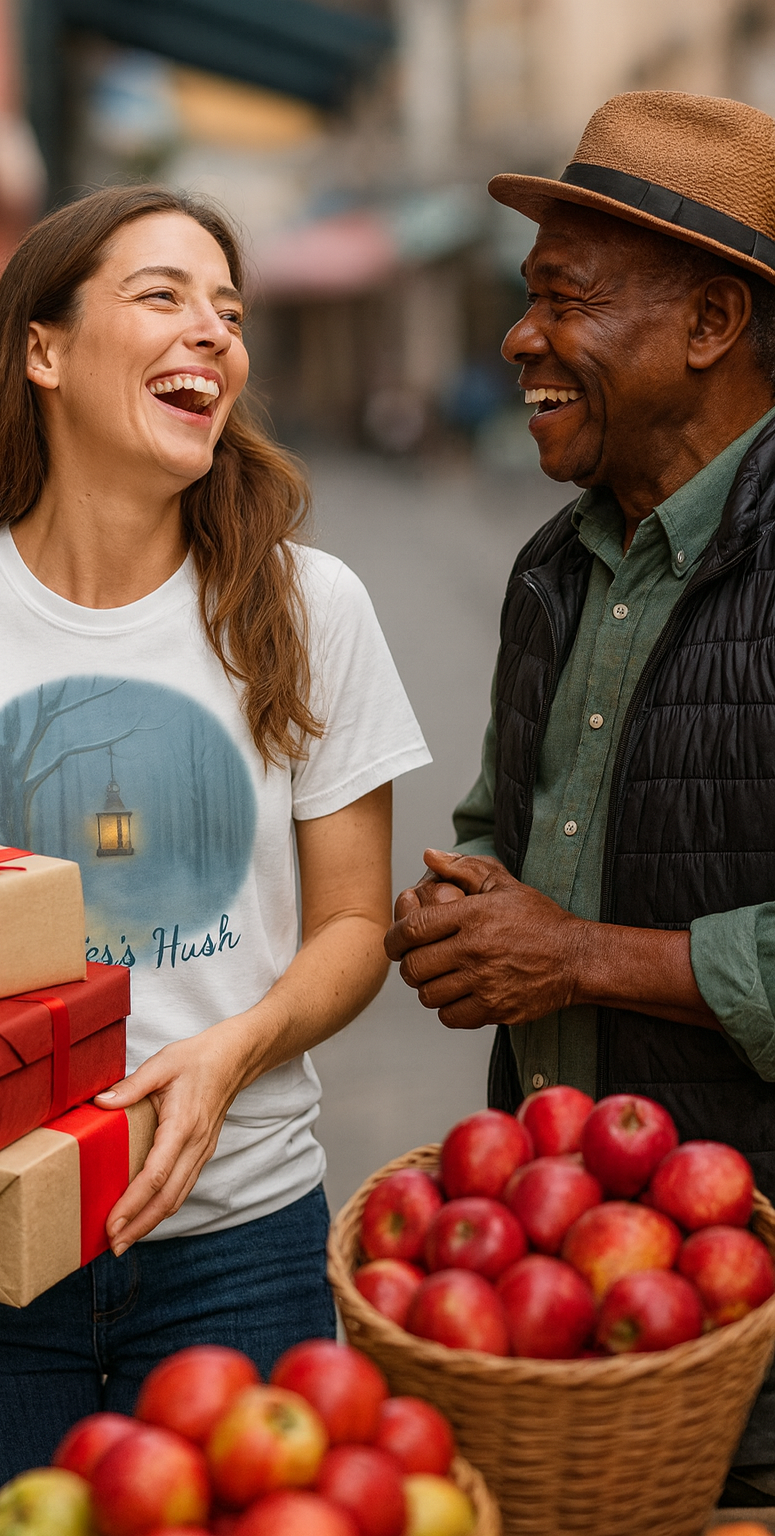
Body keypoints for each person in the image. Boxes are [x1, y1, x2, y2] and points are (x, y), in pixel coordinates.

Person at [0, 184, 430, 1536]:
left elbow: (355, 926)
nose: (212, 331)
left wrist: (230, 1053)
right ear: (43, 350)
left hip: (236, 1241)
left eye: (229, 309)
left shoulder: (311, 606)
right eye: (163, 294)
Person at [385, 90, 775, 1506]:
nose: (518, 339)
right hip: (555, 1291)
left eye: (564, 300)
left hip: (743, 1316)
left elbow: (561, 942)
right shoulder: (553, 566)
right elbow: (505, 826)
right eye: (526, 298)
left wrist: (573, 957)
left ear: (712, 322)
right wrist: (461, 907)